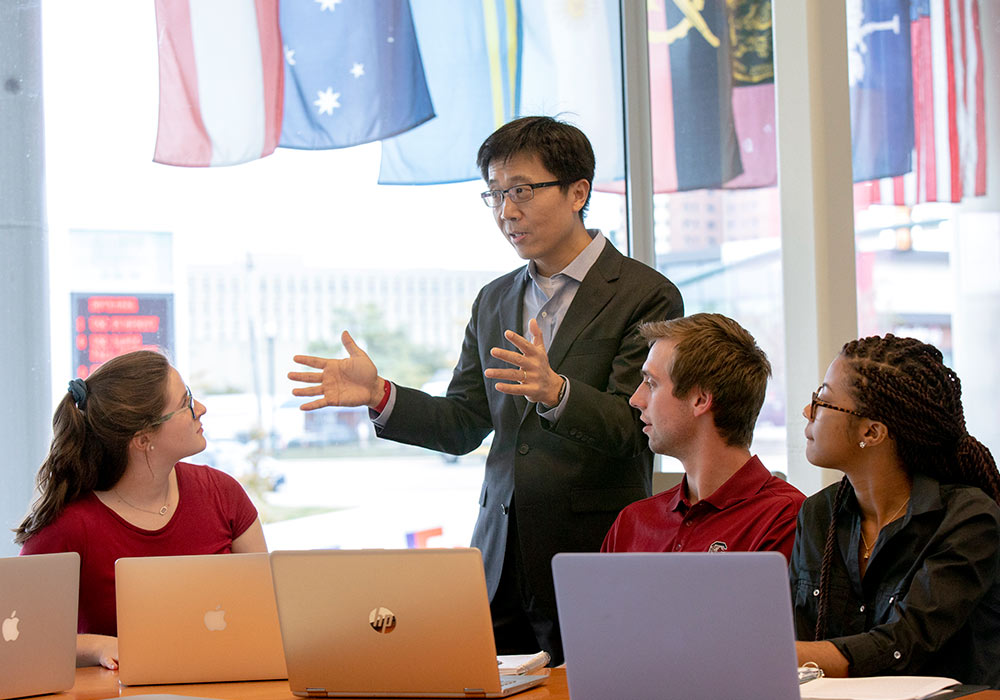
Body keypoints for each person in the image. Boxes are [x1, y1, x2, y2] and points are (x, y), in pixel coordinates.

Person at [289, 116, 683, 663]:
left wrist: (557, 392)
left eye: (520, 190)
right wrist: (381, 394)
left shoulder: (646, 295)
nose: (506, 212)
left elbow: (638, 429)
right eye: (494, 195)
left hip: (593, 554)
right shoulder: (495, 299)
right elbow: (463, 423)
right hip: (498, 559)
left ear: (578, 192)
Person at [15, 350, 267, 670]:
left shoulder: (223, 493)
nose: (200, 409)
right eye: (185, 403)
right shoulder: (67, 526)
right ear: (143, 438)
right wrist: (94, 646)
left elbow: (267, 612)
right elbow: (20, 636)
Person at [791, 334, 1000, 686]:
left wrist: (773, 653)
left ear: (871, 432)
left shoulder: (969, 519)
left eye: (822, 400)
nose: (807, 411)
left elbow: (903, 645)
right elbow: (803, 638)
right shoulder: (819, 514)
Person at [601, 313, 805, 558]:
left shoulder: (785, 518)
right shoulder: (633, 522)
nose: (635, 400)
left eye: (651, 383)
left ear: (700, 400)